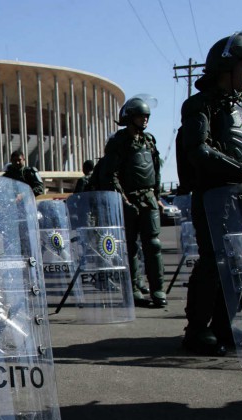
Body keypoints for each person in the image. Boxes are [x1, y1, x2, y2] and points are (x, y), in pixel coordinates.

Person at [176, 31, 242, 354]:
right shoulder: (199, 105)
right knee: (214, 261)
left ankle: (224, 326)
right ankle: (196, 330)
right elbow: (199, 151)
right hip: (214, 197)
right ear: (226, 67)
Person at [101, 96, 166, 308]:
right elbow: (110, 174)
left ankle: (157, 289)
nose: (144, 119)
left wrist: (157, 196)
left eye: (146, 116)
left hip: (149, 198)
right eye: (140, 116)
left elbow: (155, 170)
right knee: (130, 247)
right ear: (130, 117)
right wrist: (123, 198)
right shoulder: (118, 142)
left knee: (153, 244)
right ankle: (133, 289)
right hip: (128, 199)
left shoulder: (149, 141)